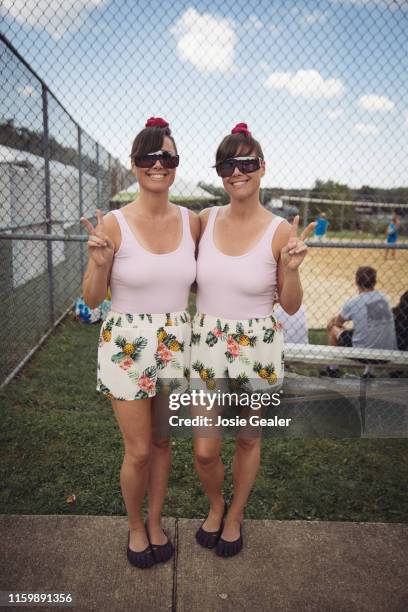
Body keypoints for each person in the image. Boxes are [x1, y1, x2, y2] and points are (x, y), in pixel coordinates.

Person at [190, 122, 315, 557]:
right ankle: (216, 503)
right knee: (206, 449)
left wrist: (293, 270)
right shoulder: (205, 220)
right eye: (228, 163)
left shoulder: (279, 231)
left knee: (247, 439)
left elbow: (293, 305)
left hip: (257, 345)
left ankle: (236, 515)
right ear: (221, 172)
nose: (236, 171)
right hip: (207, 343)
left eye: (246, 162)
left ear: (261, 168)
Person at [80, 117, 199, 569]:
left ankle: (154, 521)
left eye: (166, 157)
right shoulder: (112, 224)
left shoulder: (193, 223)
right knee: (140, 449)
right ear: (134, 165)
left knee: (164, 444)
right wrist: (98, 264)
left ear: (175, 165)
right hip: (126, 345)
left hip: (174, 342)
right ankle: (134, 526)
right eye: (149, 157)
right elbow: (92, 300)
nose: (158, 164)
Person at [323, 266, 398, 378]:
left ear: (356, 281)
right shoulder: (385, 298)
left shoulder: (354, 302)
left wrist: (332, 321)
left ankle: (332, 369)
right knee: (373, 331)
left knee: (333, 329)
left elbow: (338, 323)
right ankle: (368, 372)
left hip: (362, 354)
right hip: (387, 353)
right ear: (375, 282)